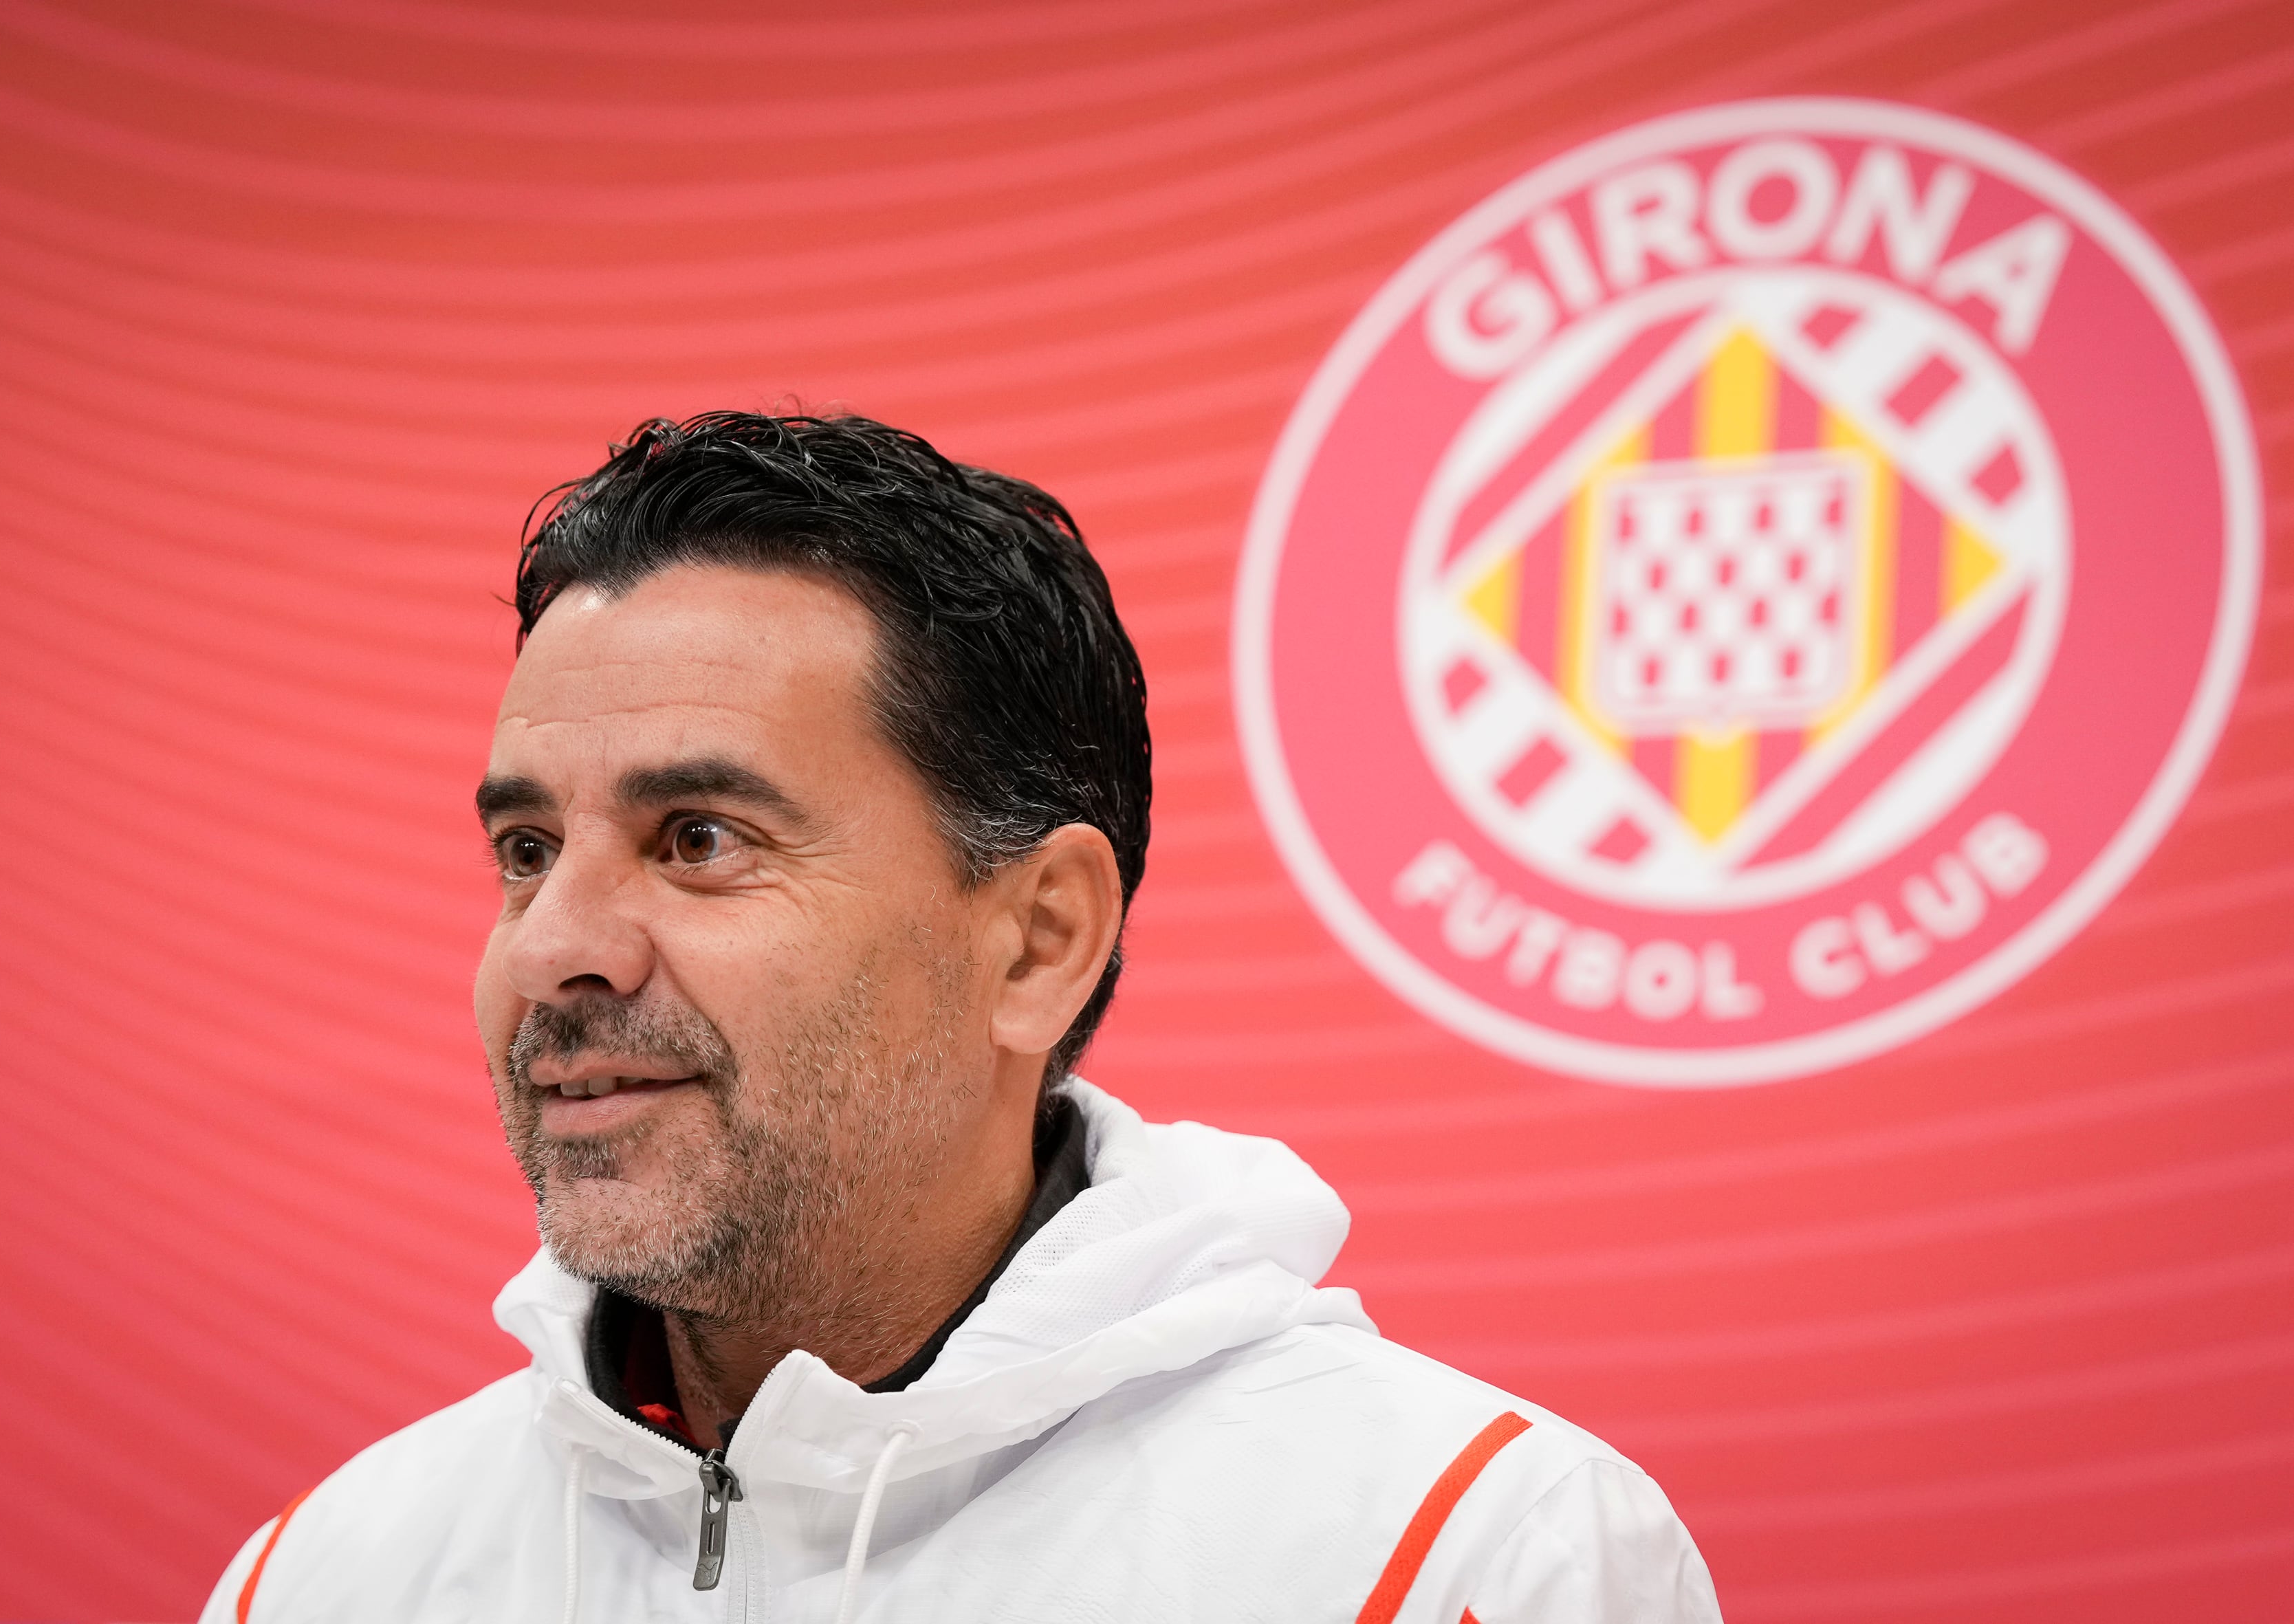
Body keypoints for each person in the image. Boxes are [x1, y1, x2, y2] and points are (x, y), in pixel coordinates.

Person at [201, 413, 1721, 1624]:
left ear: (1035, 940)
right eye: (527, 851)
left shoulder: (1467, 1554)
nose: (556, 948)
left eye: (700, 838)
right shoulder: (327, 1579)